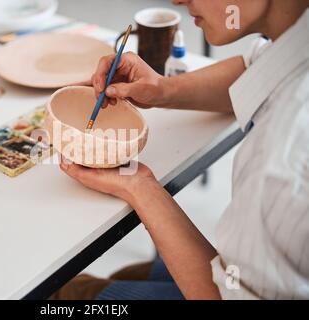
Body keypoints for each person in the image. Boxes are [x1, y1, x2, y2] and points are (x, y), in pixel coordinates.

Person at [51, 0, 309, 300]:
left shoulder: (286, 151)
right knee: (126, 276)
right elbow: (257, 71)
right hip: (257, 277)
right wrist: (162, 90)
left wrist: (140, 187)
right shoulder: (296, 39)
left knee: (68, 294)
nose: (176, 1)